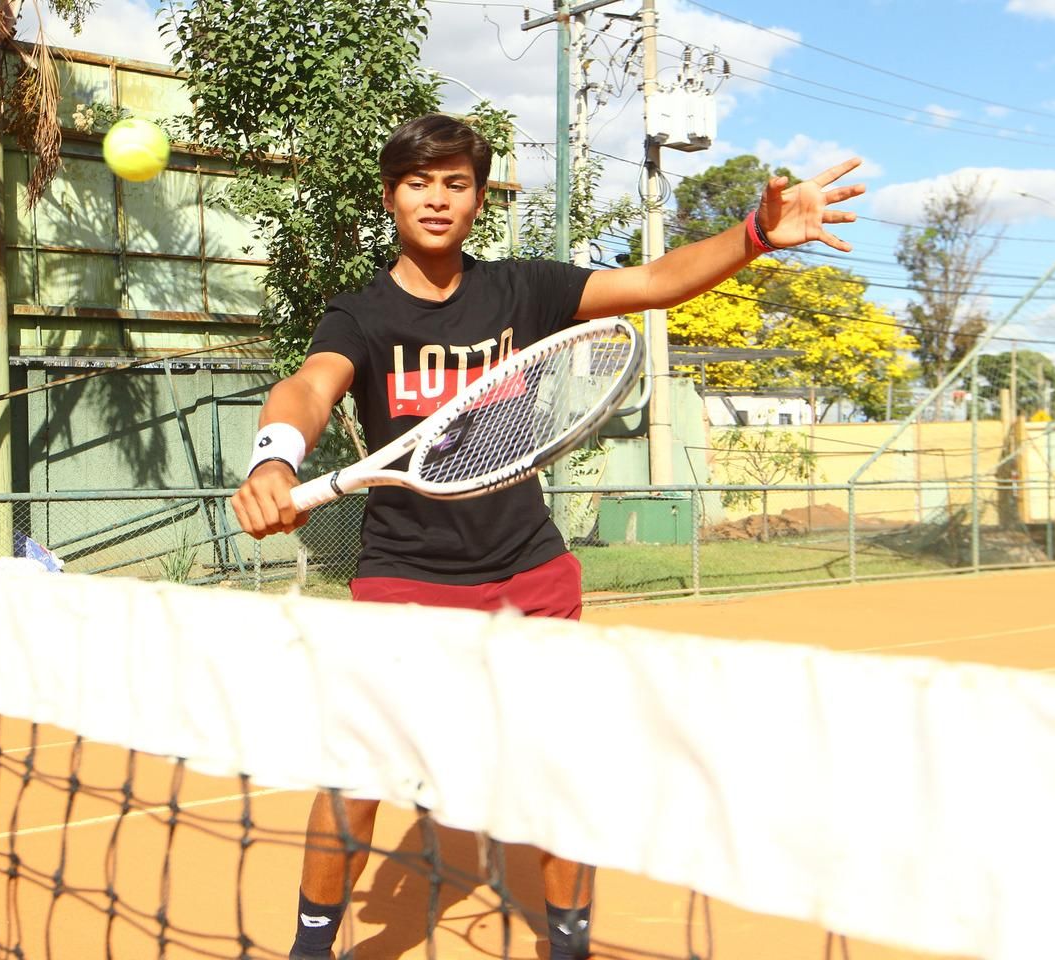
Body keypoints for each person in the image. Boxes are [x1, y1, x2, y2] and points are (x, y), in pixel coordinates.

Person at [230, 113, 863, 960]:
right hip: (402, 582)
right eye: (420, 181)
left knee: (559, 771)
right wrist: (276, 458)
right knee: (358, 775)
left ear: (479, 198)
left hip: (529, 573)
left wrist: (753, 234)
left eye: (457, 183)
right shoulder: (362, 314)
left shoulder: (521, 291)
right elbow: (309, 385)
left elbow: (656, 281)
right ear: (391, 197)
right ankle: (313, 948)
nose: (438, 198)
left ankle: (565, 945)